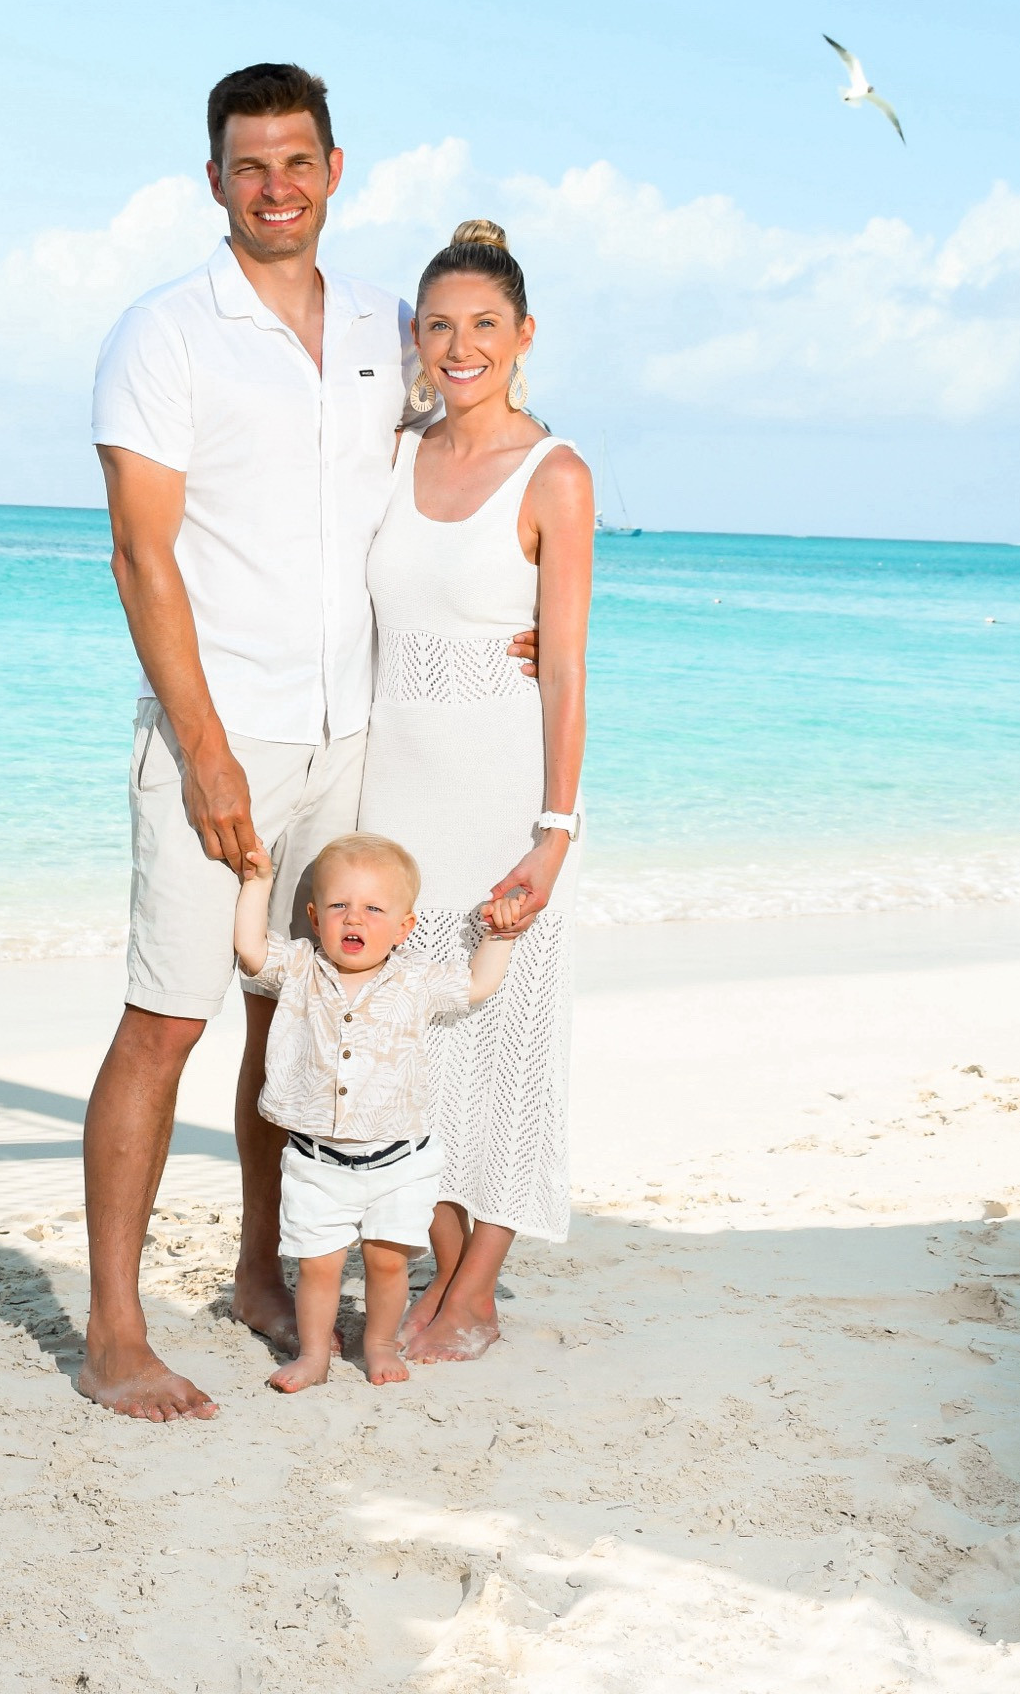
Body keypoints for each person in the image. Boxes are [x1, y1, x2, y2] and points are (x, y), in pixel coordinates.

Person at [85, 64, 539, 1420]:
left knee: (291, 1019)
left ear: (333, 171)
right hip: (219, 738)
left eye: (297, 161)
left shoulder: (382, 326)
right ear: (213, 180)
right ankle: (113, 1332)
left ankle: (257, 1274)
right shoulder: (164, 333)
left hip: (354, 739)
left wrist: (516, 605)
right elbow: (140, 555)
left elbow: (473, 442)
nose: (274, 186)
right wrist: (204, 750)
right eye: (248, 164)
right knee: (166, 1019)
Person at [358, 219, 595, 1363]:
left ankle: (473, 1288)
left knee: (504, 1042)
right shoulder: (391, 453)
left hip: (503, 792)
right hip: (391, 797)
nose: (460, 347)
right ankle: (454, 1281)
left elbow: (564, 667)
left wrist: (553, 830)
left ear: (523, 334)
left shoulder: (557, 475)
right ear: (416, 336)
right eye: (440, 326)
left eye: (484, 325)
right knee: (411, 1046)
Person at [233, 833, 521, 1393]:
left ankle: (380, 1343)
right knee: (318, 1266)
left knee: (388, 1262)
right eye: (339, 905)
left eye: (373, 909)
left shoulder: (415, 979)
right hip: (316, 1163)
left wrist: (499, 935)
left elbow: (479, 984)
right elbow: (249, 948)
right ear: (315, 918)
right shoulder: (299, 967)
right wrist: (258, 883)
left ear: (403, 927)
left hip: (400, 1163)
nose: (353, 918)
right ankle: (314, 1354)